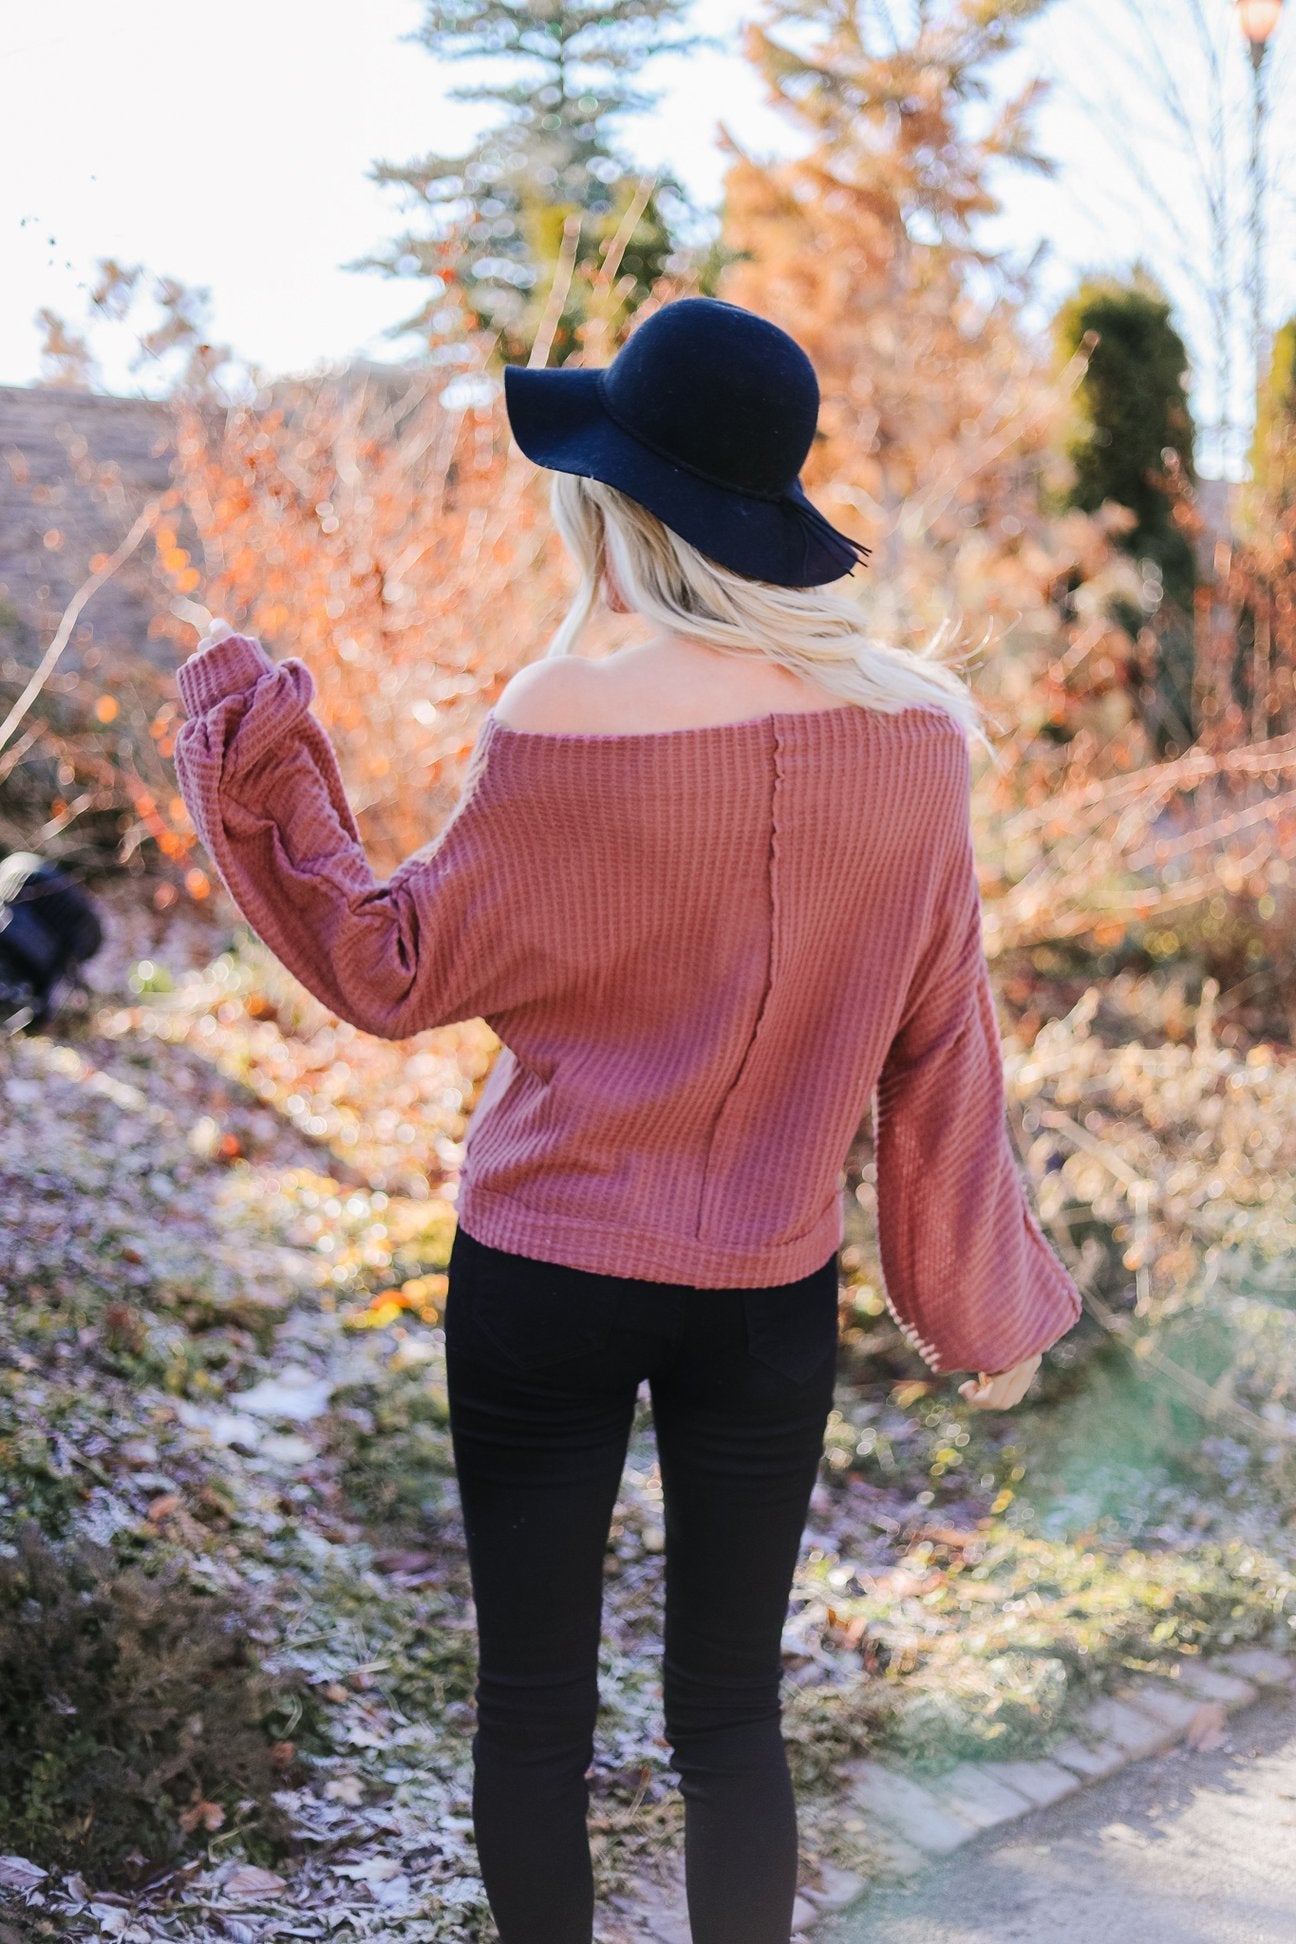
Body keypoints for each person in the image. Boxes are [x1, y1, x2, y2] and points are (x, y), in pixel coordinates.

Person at [171, 296, 1082, 1944]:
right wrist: (978, 1301)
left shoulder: (561, 720)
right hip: (768, 1295)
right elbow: (942, 1044)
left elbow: (389, 970)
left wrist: (259, 749)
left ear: (622, 499)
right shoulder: (918, 742)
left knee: (534, 1709)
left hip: (543, 1281)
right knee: (732, 1714)